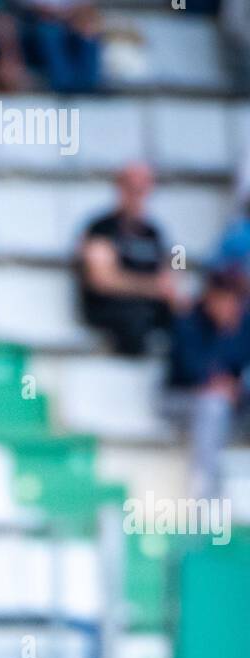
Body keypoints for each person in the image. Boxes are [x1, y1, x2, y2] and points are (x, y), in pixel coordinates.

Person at [164, 269, 250, 500]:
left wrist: (235, 387)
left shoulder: (243, 324)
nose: (231, 308)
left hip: (232, 403)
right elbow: (193, 372)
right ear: (211, 298)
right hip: (181, 400)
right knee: (213, 405)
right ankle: (204, 494)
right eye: (226, 301)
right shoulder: (188, 322)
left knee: (220, 403)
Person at [78, 163, 177, 358]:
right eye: (133, 188)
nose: (138, 195)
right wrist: (151, 287)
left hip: (147, 308)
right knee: (134, 323)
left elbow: (168, 276)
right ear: (120, 188)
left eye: (143, 189)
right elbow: (102, 280)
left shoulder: (153, 231)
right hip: (111, 309)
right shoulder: (101, 228)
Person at [16, 0, 101, 94]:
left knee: (89, 34)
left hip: (72, 21)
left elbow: (85, 6)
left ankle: (88, 84)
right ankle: (63, 85)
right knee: (51, 34)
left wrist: (74, 18)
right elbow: (29, 6)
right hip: (38, 23)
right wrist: (56, 15)